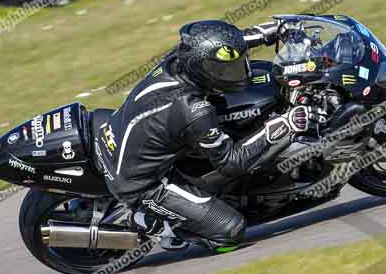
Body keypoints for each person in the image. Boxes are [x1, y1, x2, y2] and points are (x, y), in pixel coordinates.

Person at [93, 20, 310, 251]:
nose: (240, 71)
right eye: (225, 70)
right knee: (231, 231)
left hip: (115, 136)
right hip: (141, 184)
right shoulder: (193, 110)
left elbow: (219, 47)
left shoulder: (180, 58)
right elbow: (231, 163)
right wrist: (283, 125)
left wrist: (268, 32)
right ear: (204, 70)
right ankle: (152, 223)